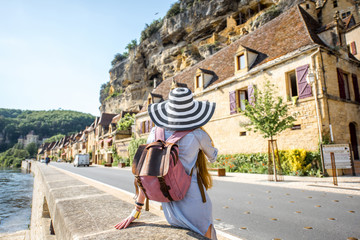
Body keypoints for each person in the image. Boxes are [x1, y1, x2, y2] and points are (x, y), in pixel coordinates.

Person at [115, 87, 218, 239]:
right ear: (192, 113)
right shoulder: (198, 134)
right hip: (194, 200)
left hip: (169, 201)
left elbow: (147, 173)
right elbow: (213, 157)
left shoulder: (154, 134)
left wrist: (136, 211)